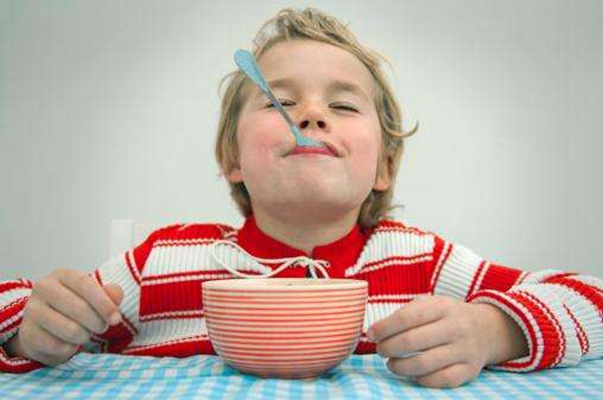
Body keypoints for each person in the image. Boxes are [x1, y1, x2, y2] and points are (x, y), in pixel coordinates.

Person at [1, 8, 601, 388]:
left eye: (341, 105)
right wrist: (31, 330)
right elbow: (18, 306)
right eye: (280, 102)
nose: (312, 115)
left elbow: (592, 299)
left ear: (384, 167)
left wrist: (494, 331)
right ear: (233, 159)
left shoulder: (423, 262)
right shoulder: (162, 261)